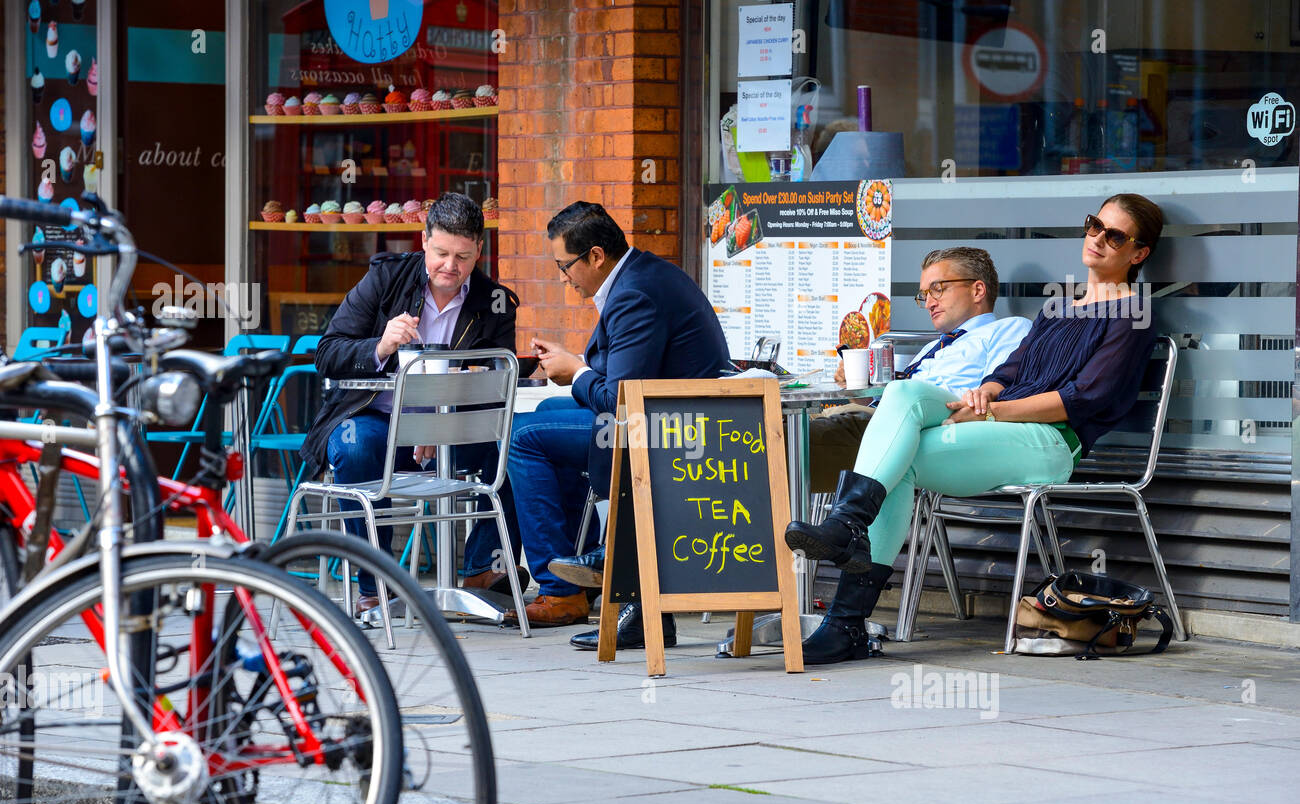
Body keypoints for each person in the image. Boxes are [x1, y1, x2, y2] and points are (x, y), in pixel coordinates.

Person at [785, 193, 1164, 663]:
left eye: (1115, 236)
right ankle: (847, 531)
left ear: (1138, 253)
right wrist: (987, 390)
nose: (1098, 239)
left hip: (1050, 443)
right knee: (904, 395)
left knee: (896, 461)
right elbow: (1013, 368)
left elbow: (1086, 398)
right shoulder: (1057, 308)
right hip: (1001, 425)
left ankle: (845, 615)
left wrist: (996, 412)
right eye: (1094, 225)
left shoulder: (1133, 314)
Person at [506, 201, 730, 640]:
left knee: (524, 437)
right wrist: (574, 371)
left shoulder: (633, 294)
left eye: (564, 265)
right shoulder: (639, 275)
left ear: (595, 256)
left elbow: (619, 400)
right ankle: (582, 568)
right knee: (547, 413)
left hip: (672, 430)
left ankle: (561, 590)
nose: (562, 277)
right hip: (661, 415)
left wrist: (576, 371)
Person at [301, 192, 524, 614]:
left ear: (479, 249)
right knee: (354, 446)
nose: (450, 267)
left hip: (454, 430)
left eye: (462, 256)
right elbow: (327, 351)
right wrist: (381, 344)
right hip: (377, 421)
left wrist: (443, 425)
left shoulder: (495, 302)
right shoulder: (385, 280)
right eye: (441, 253)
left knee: (520, 451)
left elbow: (497, 381)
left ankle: (480, 569)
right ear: (424, 241)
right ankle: (377, 585)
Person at [810, 247, 1031, 493]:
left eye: (938, 289)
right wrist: (857, 386)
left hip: (922, 432)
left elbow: (996, 391)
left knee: (783, 444)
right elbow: (886, 399)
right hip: (877, 420)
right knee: (782, 426)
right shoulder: (933, 346)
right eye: (924, 294)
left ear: (977, 290)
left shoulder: (1009, 329)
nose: (929, 303)